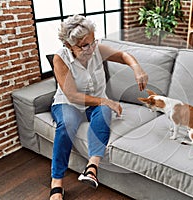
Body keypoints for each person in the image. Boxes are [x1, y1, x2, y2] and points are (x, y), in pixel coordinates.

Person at [49, 14, 148, 200]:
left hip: (95, 104)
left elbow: (123, 55)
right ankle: (56, 183)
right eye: (84, 45)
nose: (91, 48)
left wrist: (137, 68)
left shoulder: (96, 50)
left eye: (93, 42)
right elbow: (72, 95)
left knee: (103, 111)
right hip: (68, 103)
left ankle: (91, 168)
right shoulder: (60, 58)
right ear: (70, 45)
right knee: (67, 125)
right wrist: (105, 101)